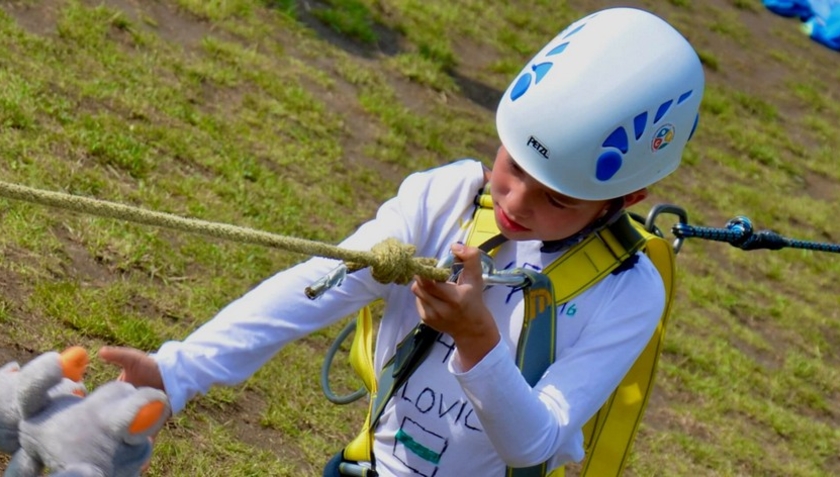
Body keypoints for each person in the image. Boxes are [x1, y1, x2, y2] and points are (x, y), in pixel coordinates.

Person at [99, 7, 704, 476]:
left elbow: (534, 444)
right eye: (514, 165)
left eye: (558, 199)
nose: (516, 202)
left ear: (626, 200)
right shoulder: (448, 198)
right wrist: (175, 372)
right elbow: (317, 286)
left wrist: (479, 342)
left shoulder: (628, 294)